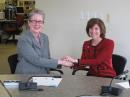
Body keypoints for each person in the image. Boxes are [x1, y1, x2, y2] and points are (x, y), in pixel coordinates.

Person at [15, 9, 73, 74]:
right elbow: (36, 60)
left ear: (43, 23)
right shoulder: (23, 38)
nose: (37, 24)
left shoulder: (45, 37)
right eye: (34, 21)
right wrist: (60, 62)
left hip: (43, 73)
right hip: (26, 74)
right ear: (29, 22)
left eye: (40, 21)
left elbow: (46, 58)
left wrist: (61, 61)